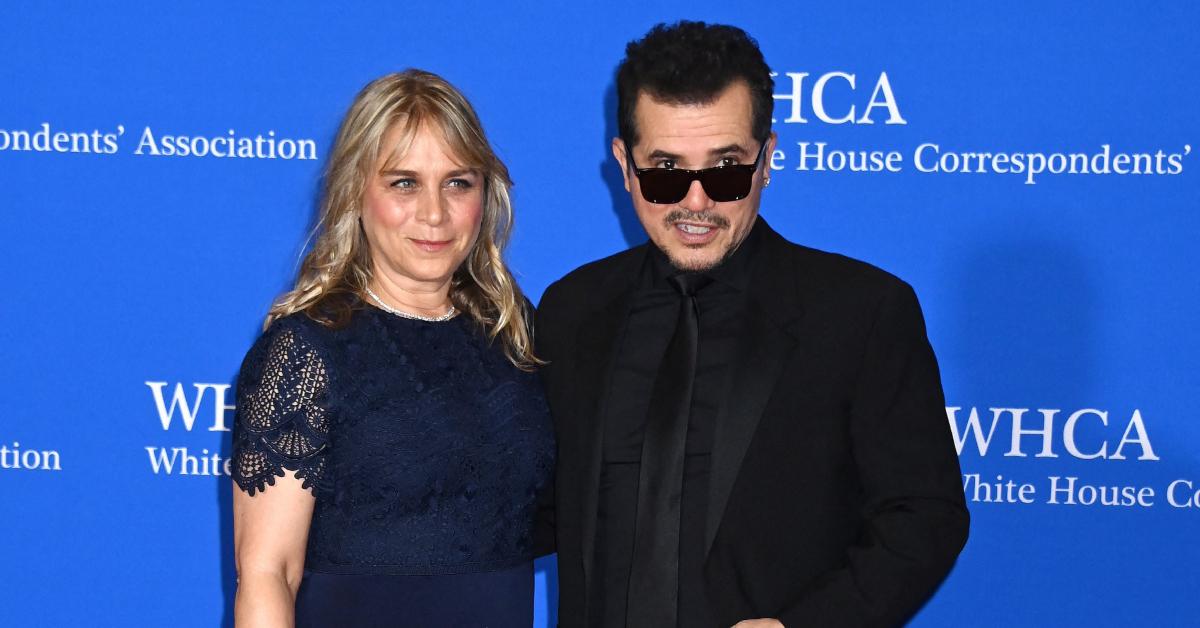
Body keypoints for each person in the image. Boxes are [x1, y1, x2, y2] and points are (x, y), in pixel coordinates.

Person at [536, 22, 969, 628]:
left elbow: (924, 514)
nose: (695, 201)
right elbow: (534, 504)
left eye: (726, 168)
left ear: (766, 159)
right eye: (665, 169)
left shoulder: (861, 312)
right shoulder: (572, 309)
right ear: (624, 166)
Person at [230, 69, 554, 627]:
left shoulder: (513, 330)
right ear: (356, 191)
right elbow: (268, 572)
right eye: (404, 182)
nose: (434, 213)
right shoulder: (305, 349)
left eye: (458, 182)